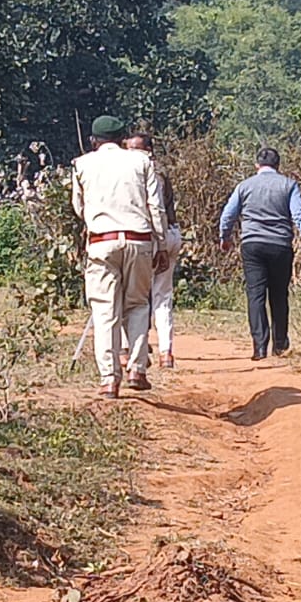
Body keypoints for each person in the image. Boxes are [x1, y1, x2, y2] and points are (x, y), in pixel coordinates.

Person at [72, 116, 169, 398]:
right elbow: (155, 206)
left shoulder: (81, 164)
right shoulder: (141, 162)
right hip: (139, 240)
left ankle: (109, 379)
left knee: (105, 311)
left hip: (101, 241)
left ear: (94, 141)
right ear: (123, 140)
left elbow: (79, 207)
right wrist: (160, 244)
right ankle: (137, 368)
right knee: (138, 304)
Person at [219, 147, 301, 360]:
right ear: (278, 165)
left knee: (255, 294)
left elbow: (228, 214)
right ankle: (280, 345)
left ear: (257, 165)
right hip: (280, 245)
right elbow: (300, 215)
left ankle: (259, 346)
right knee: (279, 295)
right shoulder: (288, 185)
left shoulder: (244, 186)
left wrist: (224, 237)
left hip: (252, 244)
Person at [126, 133, 181, 368]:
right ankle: (166, 352)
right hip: (168, 233)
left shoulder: (132, 171)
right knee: (162, 295)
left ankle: (133, 349)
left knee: (133, 297)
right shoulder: (161, 171)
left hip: (144, 236)